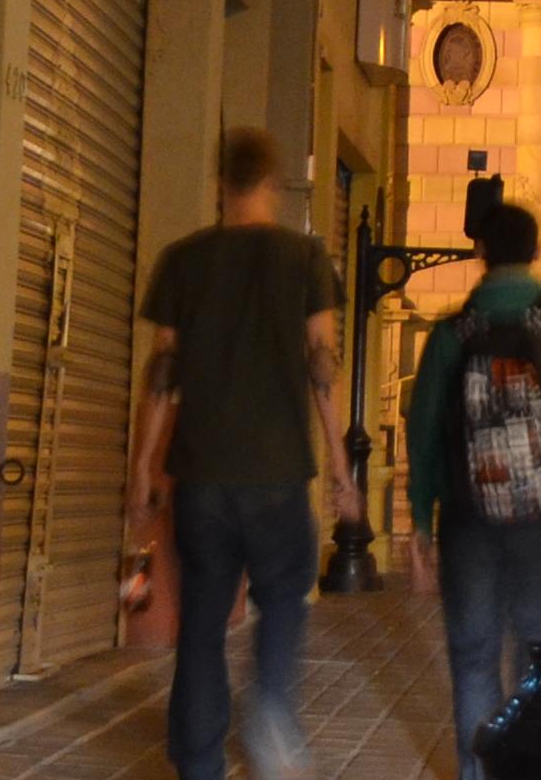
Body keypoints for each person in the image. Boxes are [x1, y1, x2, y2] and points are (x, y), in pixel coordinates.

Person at [132, 130, 346, 780]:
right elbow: (321, 368)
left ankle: (198, 763)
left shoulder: (183, 260)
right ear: (273, 185)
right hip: (280, 473)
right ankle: (269, 716)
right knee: (283, 601)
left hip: (201, 473)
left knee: (200, 617)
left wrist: (143, 463)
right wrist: (340, 464)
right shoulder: (306, 258)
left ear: (219, 182)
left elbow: (163, 369)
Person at [408, 196, 541, 731]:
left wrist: (418, 518)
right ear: (537, 251)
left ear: (481, 251)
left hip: (465, 512)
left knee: (474, 654)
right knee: (540, 653)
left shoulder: (451, 333)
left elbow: (424, 430)